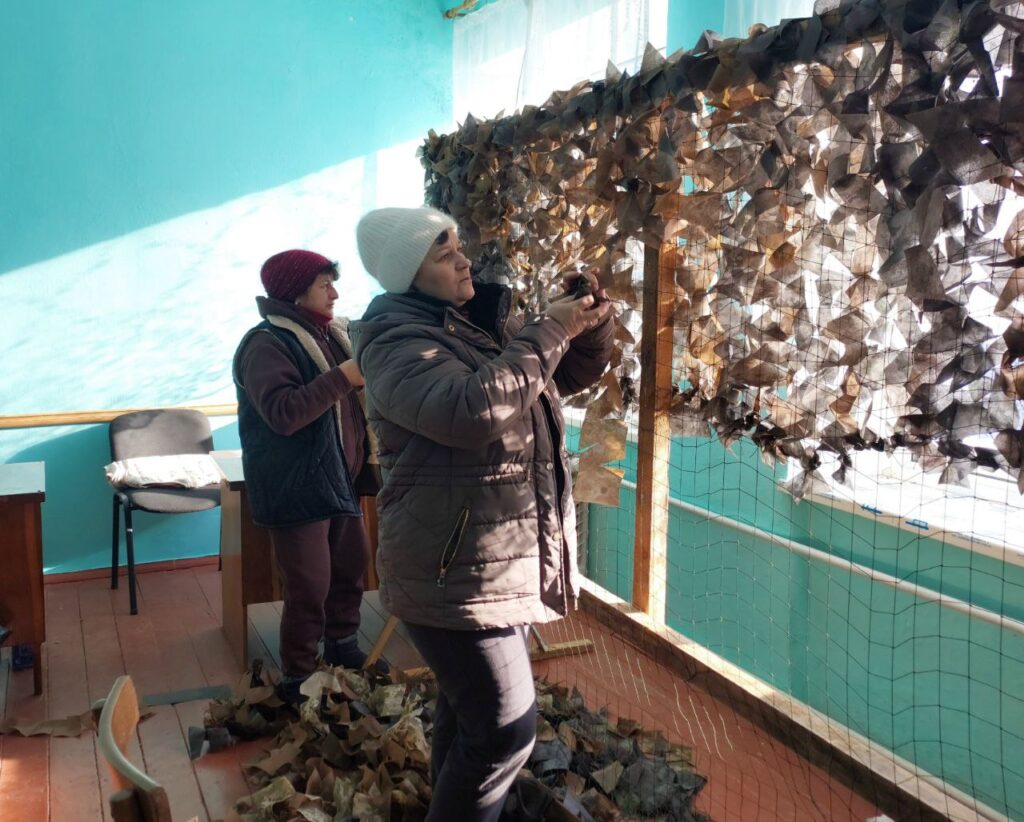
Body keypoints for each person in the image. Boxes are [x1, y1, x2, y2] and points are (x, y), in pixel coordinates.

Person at [351, 206, 615, 821]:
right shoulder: (394, 342)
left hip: (490, 559)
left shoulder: (473, 324)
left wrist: (587, 324)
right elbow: (472, 410)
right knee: (503, 731)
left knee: (469, 718)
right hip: (453, 569)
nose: (464, 260)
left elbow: (559, 376)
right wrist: (548, 329)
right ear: (407, 274)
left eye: (458, 245)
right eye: (443, 253)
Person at [232, 249, 380, 701]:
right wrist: (345, 376)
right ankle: (299, 674)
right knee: (309, 586)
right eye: (324, 284)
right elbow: (283, 413)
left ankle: (342, 648)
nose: (334, 293)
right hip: (296, 486)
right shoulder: (265, 343)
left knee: (350, 568)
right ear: (296, 292)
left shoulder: (331, 335)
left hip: (338, 480)